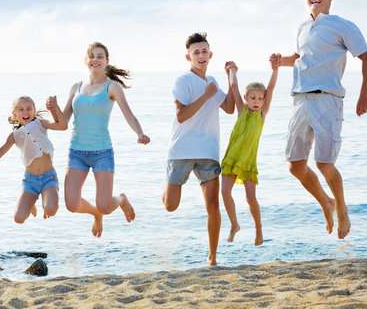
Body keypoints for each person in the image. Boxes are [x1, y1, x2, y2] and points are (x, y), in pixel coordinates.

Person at [270, 0, 367, 239]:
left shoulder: (343, 26)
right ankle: (326, 203)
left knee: (325, 164)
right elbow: (298, 57)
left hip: (327, 100)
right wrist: (279, 61)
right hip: (299, 99)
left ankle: (341, 209)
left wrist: (364, 95)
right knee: (295, 166)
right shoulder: (302, 27)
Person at [62, 41, 150, 237]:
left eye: (100, 56)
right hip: (76, 152)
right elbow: (63, 122)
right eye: (92, 56)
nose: (95, 59)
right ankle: (95, 214)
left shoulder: (112, 87)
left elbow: (129, 115)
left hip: (102, 152)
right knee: (71, 204)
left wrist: (139, 133)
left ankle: (121, 199)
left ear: (106, 61)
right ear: (86, 60)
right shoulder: (75, 87)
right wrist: (47, 115)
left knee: (105, 206)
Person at [163, 32, 235, 266]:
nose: (201, 55)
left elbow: (230, 108)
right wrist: (206, 96)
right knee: (170, 206)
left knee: (213, 206)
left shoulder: (212, 82)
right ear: (188, 57)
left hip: (208, 152)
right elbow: (181, 115)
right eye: (196, 52)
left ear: (210, 54)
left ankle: (212, 258)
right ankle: (164, 190)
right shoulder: (183, 81)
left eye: (204, 51)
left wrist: (231, 77)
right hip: (181, 151)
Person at [0, 95, 67, 223]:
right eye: (21, 109)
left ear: (34, 110)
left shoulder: (40, 123)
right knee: (18, 219)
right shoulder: (15, 135)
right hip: (30, 181)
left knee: (50, 210)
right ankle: (32, 201)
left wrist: (55, 108)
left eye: (29, 109)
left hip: (48, 178)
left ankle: (42, 199)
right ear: (14, 113)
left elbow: (62, 126)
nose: (25, 112)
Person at [220, 60, 278, 246]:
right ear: (246, 99)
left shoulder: (262, 115)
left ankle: (258, 229)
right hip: (232, 159)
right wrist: (232, 70)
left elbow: (270, 87)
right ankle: (234, 224)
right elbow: (234, 86)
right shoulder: (241, 111)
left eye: (260, 98)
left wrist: (275, 69)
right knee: (225, 192)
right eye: (252, 98)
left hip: (248, 162)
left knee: (251, 198)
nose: (257, 101)